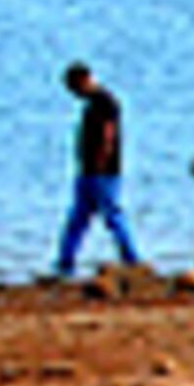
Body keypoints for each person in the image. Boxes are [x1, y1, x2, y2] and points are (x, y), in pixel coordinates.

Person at [54, 62, 143, 277]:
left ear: (84, 81)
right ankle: (65, 263)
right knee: (78, 217)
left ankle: (132, 258)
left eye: (74, 88)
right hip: (87, 171)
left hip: (103, 172)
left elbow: (108, 133)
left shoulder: (106, 102)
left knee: (112, 214)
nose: (75, 94)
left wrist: (102, 160)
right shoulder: (93, 103)